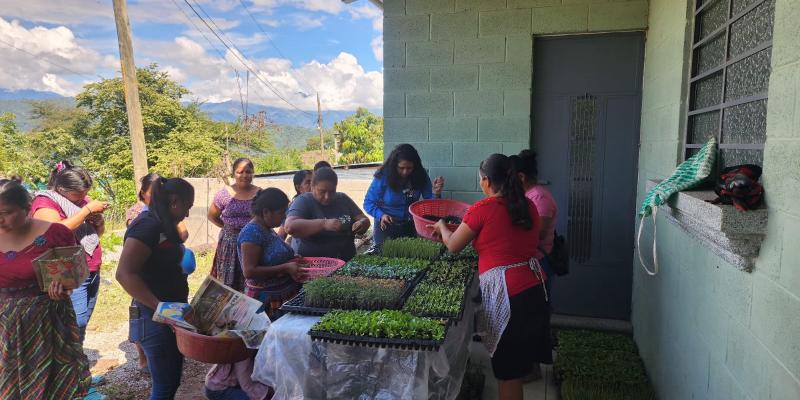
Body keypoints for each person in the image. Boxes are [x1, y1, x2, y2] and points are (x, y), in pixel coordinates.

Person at [430, 154, 551, 400]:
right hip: (535, 289)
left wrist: (441, 226)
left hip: (510, 297)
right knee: (515, 370)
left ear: (485, 181)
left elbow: (453, 245)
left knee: (507, 373)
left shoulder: (482, 209)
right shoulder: (528, 205)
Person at [204, 188, 307, 400]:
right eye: (281, 212)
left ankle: (273, 386)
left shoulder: (267, 229)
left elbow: (275, 257)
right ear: (266, 211)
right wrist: (286, 268)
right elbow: (249, 271)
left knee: (272, 348)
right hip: (262, 302)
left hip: (278, 298)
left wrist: (292, 261)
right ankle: (247, 388)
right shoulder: (251, 233)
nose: (284, 217)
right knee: (257, 350)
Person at [0, 178, 92, 400]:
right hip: (7, 326)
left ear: (27, 207)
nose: (0, 219)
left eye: (7, 212)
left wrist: (65, 289)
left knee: (55, 384)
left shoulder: (55, 233)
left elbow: (75, 273)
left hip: (50, 321)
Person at [117, 178, 195, 400]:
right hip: (152, 317)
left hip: (168, 314)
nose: (188, 213)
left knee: (171, 380)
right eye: (187, 206)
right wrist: (160, 307)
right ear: (173, 201)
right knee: (164, 386)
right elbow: (124, 274)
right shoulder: (147, 226)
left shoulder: (164, 224)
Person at [30, 160, 108, 343]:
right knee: (74, 323)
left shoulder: (81, 201)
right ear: (61, 189)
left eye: (86, 194)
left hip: (90, 268)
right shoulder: (44, 201)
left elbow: (97, 234)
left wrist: (99, 223)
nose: (83, 198)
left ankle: (78, 365)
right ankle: (70, 366)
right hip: (66, 271)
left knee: (82, 322)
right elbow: (54, 232)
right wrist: (86, 211)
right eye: (78, 194)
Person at [363, 144, 444, 252]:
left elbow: (431, 204)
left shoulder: (421, 175)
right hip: (386, 225)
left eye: (409, 168)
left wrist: (436, 193)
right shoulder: (384, 176)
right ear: (394, 166)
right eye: (401, 168)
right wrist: (380, 215)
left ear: (415, 166)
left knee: (408, 257)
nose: (405, 172)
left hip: (409, 225)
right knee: (384, 256)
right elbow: (368, 203)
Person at [285, 167, 370, 261]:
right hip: (313, 264)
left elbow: (364, 219)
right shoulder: (304, 201)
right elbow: (290, 227)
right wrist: (324, 224)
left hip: (345, 262)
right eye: (322, 191)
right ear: (312, 187)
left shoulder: (343, 199)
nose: (327, 197)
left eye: (332, 191)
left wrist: (361, 223)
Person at [208, 158, 260, 292]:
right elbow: (212, 216)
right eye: (239, 172)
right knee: (228, 285)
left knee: (252, 281)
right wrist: (228, 228)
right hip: (229, 245)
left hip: (253, 243)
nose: (244, 175)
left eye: (248, 172)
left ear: (253, 173)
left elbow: (265, 218)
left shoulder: (260, 194)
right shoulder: (224, 194)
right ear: (233, 173)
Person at [276, 170, 312, 240]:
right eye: (308, 182)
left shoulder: (322, 201)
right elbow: (282, 234)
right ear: (299, 188)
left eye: (314, 181)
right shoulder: (294, 206)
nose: (313, 185)